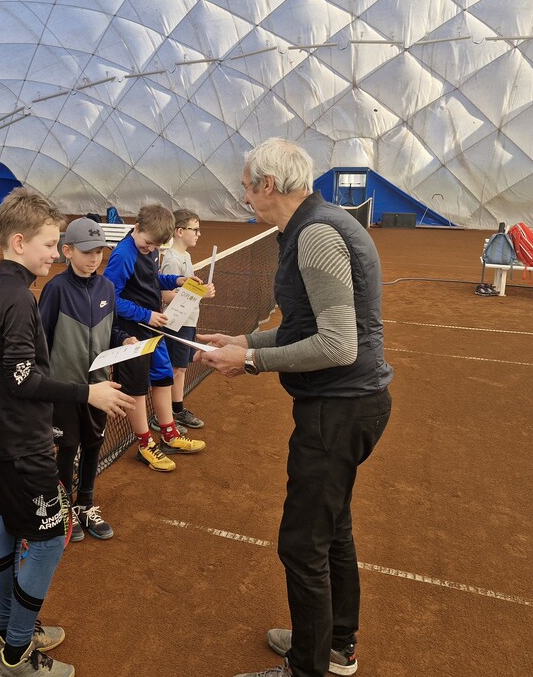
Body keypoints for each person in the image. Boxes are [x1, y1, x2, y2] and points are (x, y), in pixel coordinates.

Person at [197, 138, 393, 677]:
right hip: (349, 404)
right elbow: (304, 328)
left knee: (303, 545)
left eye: (246, 186)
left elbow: (337, 345)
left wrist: (250, 361)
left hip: (339, 410)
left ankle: (307, 667)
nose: (244, 196)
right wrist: (244, 340)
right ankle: (333, 644)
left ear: (267, 184)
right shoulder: (313, 226)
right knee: (333, 529)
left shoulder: (317, 234)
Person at [0, 188, 135, 677]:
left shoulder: (0, 290)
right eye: (49, 244)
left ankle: (7, 636)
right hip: (22, 446)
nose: (54, 253)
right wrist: (88, 393)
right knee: (47, 542)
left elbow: (16, 376)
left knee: (8, 530)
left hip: (6, 438)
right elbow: (23, 378)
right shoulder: (18, 299)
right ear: (19, 242)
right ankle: (17, 655)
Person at [38, 217, 136, 542]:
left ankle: (85, 505)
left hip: (100, 388)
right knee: (67, 448)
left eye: (99, 251)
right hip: (66, 390)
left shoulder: (107, 288)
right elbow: (42, 341)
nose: (94, 258)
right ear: (67, 251)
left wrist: (123, 340)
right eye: (87, 252)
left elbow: (112, 329)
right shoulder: (55, 290)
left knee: (93, 445)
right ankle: (64, 508)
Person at [103, 204, 207, 472]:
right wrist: (146, 315)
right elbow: (109, 297)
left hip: (153, 329)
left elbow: (150, 281)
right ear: (136, 227)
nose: (150, 249)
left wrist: (175, 280)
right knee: (137, 389)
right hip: (131, 335)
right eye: (148, 244)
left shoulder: (149, 248)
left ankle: (169, 434)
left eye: (156, 246)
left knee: (163, 377)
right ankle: (145, 444)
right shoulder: (123, 255)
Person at [152, 208, 216, 432]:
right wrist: (199, 294)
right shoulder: (171, 260)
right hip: (175, 324)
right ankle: (161, 416)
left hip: (187, 321)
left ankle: (176, 410)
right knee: (173, 369)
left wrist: (198, 290)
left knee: (180, 369)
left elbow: (184, 290)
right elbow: (166, 295)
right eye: (194, 229)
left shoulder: (185, 256)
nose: (198, 234)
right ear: (180, 231)